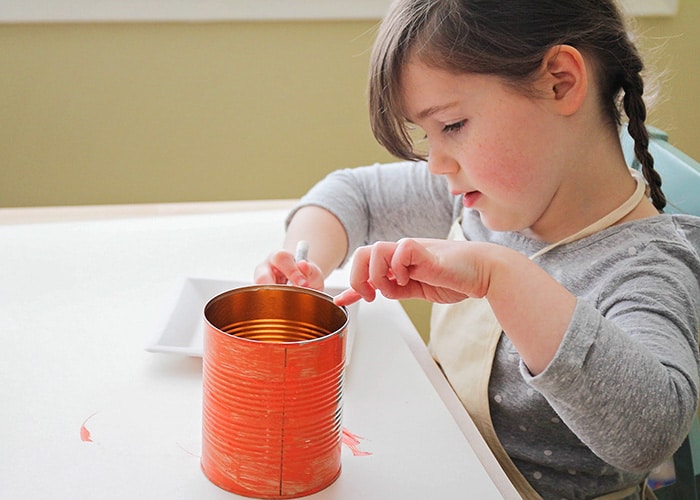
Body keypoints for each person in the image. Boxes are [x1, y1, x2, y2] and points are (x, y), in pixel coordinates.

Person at [254, 0, 700, 498]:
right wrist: (304, 258)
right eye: (428, 135)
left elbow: (648, 431)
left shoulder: (646, 265)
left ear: (561, 82)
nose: (437, 164)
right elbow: (352, 194)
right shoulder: (499, 195)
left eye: (452, 126)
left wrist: (501, 277)